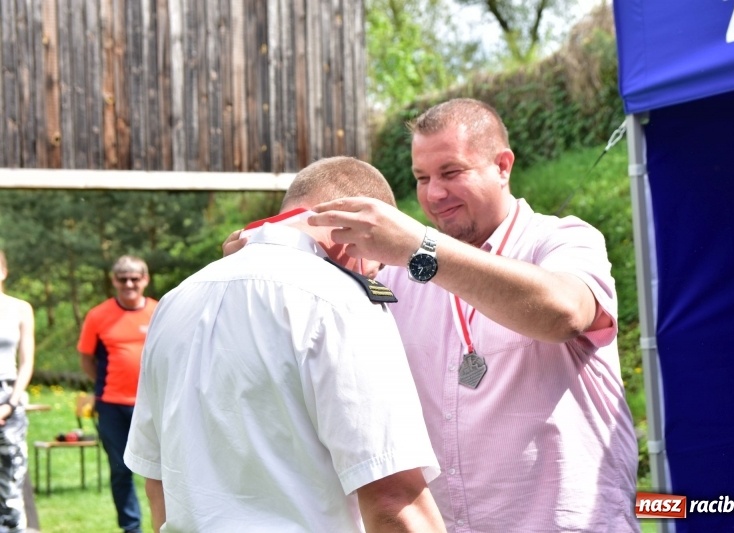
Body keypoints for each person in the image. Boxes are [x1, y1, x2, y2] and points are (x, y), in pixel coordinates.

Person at [225, 98, 640, 531]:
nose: (433, 194)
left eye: (451, 173)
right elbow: (318, 317)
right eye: (421, 178)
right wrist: (262, 257)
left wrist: (418, 249)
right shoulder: (400, 277)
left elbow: (564, 313)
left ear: (503, 166)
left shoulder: (562, 239)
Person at [124, 156, 445, 533]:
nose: (371, 273)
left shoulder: (175, 301)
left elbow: (158, 482)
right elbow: (394, 502)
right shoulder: (341, 301)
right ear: (355, 234)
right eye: (375, 266)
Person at [78, 255, 156, 533]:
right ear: (114, 281)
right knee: (121, 471)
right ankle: (131, 527)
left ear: (145, 279)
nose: (129, 284)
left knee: (164, 469)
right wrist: (105, 383)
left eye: (135, 278)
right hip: (111, 406)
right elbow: (87, 358)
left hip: (153, 404)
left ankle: (169, 524)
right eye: (123, 278)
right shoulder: (98, 315)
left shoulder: (160, 311)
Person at [0, 250, 35, 533]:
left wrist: (10, 404)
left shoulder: (20, 308)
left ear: (4, 271)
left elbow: (27, 362)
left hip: (8, 396)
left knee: (11, 476)